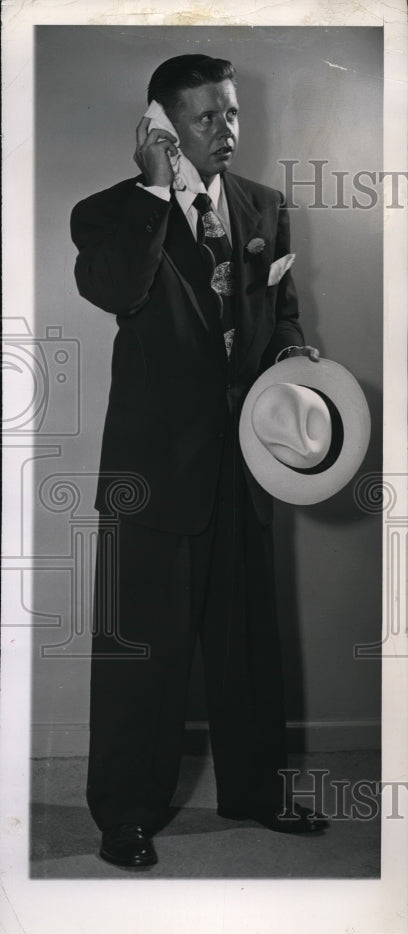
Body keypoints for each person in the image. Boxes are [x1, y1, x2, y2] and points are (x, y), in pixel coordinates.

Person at [71, 53, 328, 869]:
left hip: (247, 466)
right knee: (142, 655)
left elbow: (279, 313)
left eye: (232, 112)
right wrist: (154, 192)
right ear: (162, 126)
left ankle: (257, 793)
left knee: (248, 646)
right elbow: (116, 290)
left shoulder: (265, 207)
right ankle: (126, 815)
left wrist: (291, 350)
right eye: (206, 116)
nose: (226, 129)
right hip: (154, 474)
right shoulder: (108, 212)